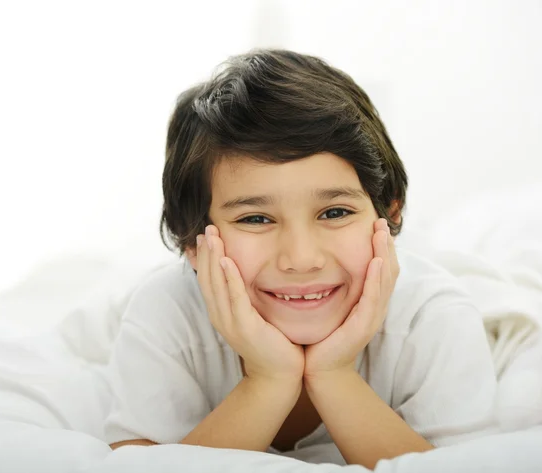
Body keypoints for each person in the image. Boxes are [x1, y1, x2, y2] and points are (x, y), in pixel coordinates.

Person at [104, 49, 497, 469]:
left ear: (390, 214)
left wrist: (335, 374)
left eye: (335, 213)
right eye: (255, 218)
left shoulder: (431, 317)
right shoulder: (165, 313)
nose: (301, 259)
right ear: (193, 244)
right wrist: (268, 380)